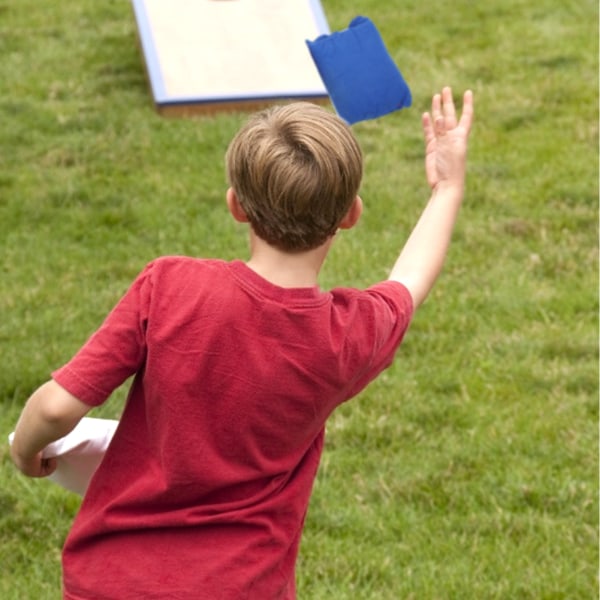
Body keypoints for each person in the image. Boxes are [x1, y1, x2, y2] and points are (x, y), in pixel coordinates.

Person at [10, 86, 474, 599]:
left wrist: (27, 453)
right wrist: (447, 188)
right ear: (351, 214)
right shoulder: (347, 336)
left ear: (236, 205)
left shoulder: (168, 285)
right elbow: (410, 280)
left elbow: (55, 409)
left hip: (110, 580)